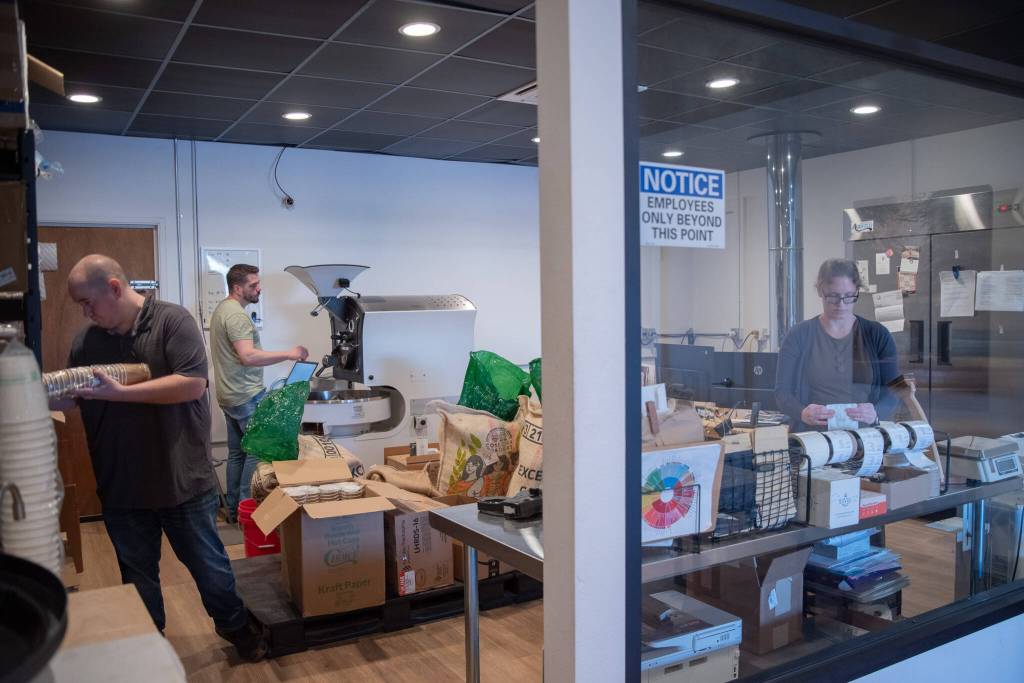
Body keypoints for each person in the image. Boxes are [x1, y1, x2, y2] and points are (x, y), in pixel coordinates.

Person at [50, 254, 267, 660]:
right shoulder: (87, 341)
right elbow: (74, 395)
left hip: (182, 480)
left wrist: (121, 393)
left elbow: (192, 384)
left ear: (114, 288)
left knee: (210, 569)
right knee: (137, 579)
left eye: (87, 302)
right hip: (121, 485)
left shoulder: (172, 322)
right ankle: (151, 652)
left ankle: (239, 630)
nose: (84, 312)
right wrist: (41, 393)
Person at [208, 263, 307, 521]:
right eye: (253, 285)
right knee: (258, 452)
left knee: (237, 453)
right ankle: (247, 512)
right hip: (245, 396)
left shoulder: (222, 310)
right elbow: (248, 356)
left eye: (258, 283)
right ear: (237, 288)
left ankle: (234, 511)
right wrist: (289, 354)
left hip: (229, 395)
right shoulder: (237, 316)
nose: (258, 289)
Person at [775, 258, 900, 432]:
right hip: (812, 438)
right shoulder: (798, 335)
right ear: (821, 291)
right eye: (833, 296)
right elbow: (782, 393)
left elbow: (896, 389)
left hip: (864, 437)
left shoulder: (877, 335)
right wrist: (802, 412)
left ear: (857, 291)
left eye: (849, 296)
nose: (841, 304)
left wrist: (876, 412)